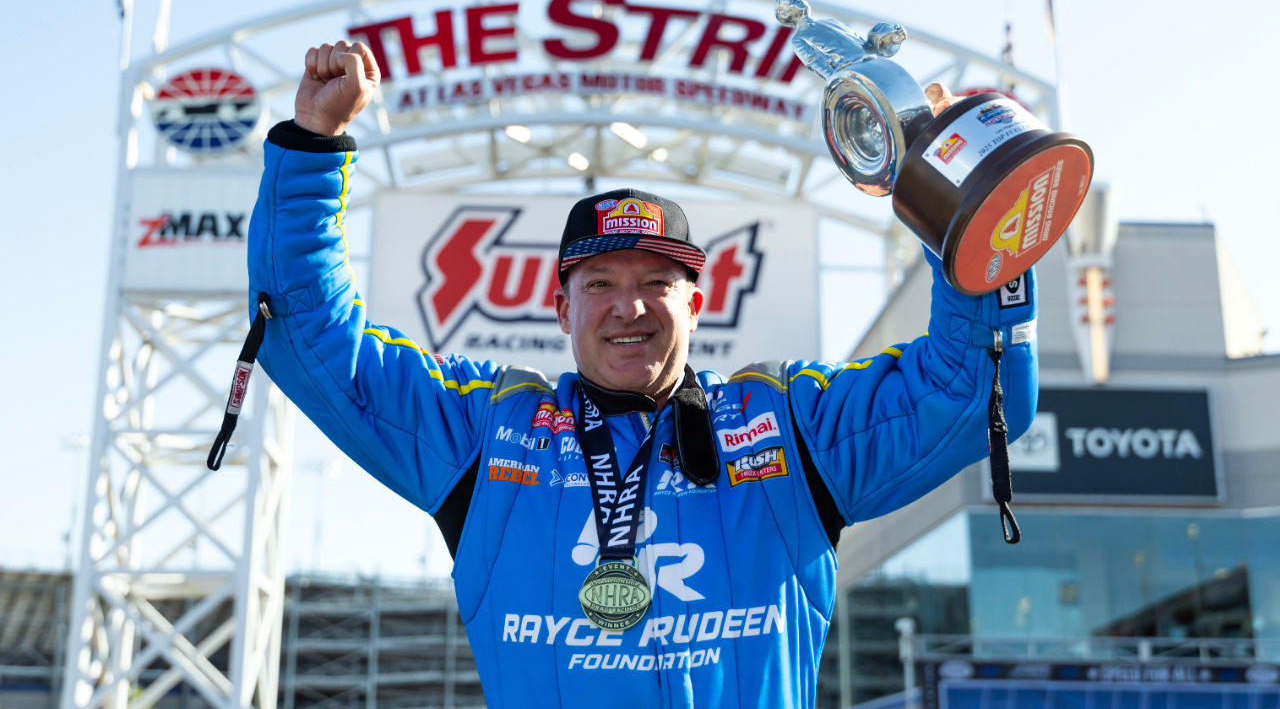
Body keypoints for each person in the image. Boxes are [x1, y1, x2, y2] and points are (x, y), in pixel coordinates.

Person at [246, 40, 1037, 708]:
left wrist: (962, 211)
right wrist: (314, 143)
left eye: (656, 283)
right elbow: (308, 335)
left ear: (698, 303)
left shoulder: (789, 427)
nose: (629, 307)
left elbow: (967, 392)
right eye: (600, 285)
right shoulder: (486, 430)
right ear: (562, 311)